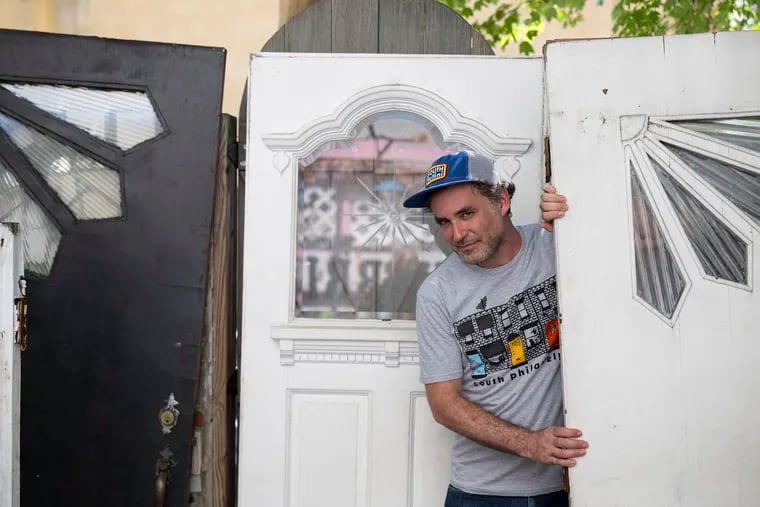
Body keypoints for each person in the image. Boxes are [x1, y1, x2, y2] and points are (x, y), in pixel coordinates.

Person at [403, 150, 586, 507]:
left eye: (466, 214)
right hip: (479, 495)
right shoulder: (437, 293)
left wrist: (576, 205)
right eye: (443, 222)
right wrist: (530, 444)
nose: (456, 234)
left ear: (501, 201)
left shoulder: (560, 246)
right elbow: (444, 404)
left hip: (572, 484)